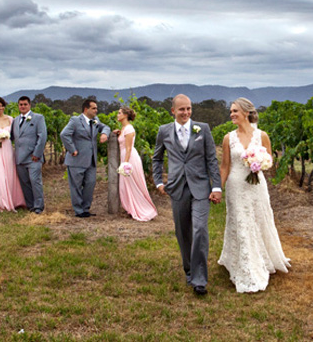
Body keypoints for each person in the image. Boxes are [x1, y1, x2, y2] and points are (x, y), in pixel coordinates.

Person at [152, 94, 222, 296]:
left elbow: (211, 159)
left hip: (200, 187)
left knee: (200, 229)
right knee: (183, 232)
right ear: (173, 111)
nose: (186, 113)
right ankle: (189, 269)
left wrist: (216, 186)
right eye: (182, 109)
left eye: (189, 109)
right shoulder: (164, 131)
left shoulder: (203, 128)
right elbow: (156, 158)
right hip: (177, 188)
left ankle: (200, 279)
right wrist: (158, 181)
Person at [218, 98, 290, 293]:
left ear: (246, 112)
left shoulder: (262, 135)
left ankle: (263, 258)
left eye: (235, 111)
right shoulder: (228, 138)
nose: (232, 114)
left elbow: (270, 160)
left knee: (258, 219)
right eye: (231, 111)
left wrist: (259, 162)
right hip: (235, 186)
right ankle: (243, 264)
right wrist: (218, 188)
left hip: (257, 186)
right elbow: (225, 166)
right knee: (240, 221)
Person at [60, 99, 111, 217]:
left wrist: (104, 133)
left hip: (91, 160)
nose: (96, 111)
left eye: (96, 108)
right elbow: (64, 134)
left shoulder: (95, 120)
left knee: (90, 184)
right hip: (76, 159)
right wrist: (72, 149)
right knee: (76, 186)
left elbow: (106, 127)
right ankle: (79, 211)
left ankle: (86, 208)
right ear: (86, 109)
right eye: (94, 108)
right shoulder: (75, 120)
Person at [0, 97, 26, 212]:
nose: (0, 108)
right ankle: (2, 203)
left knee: (9, 174)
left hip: (7, 148)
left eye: (2, 106)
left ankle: (13, 200)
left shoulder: (11, 119)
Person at [116, 106, 157, 221]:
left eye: (119, 113)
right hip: (125, 156)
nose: (117, 115)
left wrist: (125, 164)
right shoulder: (124, 128)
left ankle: (142, 208)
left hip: (129, 158)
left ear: (125, 115)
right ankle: (131, 208)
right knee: (126, 185)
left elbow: (128, 148)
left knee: (132, 184)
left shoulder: (129, 129)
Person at [11, 96, 47, 214]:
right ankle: (30, 205)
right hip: (19, 157)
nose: (23, 106)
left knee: (35, 181)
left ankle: (38, 206)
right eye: (20, 104)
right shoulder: (15, 120)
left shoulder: (38, 118)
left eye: (25, 104)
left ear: (29, 105)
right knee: (25, 182)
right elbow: (13, 137)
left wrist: (37, 153)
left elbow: (42, 137)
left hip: (33, 157)